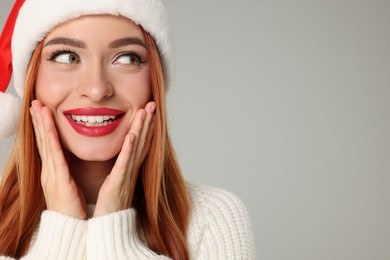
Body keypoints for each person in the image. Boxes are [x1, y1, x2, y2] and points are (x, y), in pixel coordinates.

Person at [0, 0, 255, 259]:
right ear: (33, 80)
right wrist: (62, 226)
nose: (97, 89)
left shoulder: (213, 218)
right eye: (67, 57)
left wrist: (115, 232)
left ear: (154, 82)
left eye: (127, 58)